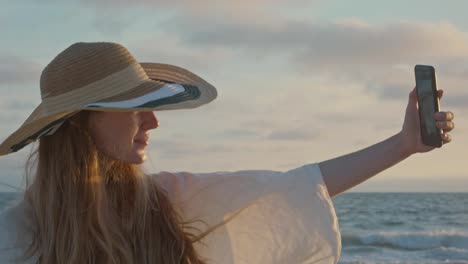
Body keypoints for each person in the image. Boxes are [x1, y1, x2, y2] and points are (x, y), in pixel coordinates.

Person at [0, 42, 455, 264]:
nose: (154, 122)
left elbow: (289, 188)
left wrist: (403, 146)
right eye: (138, 108)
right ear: (83, 121)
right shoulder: (14, 235)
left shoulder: (160, 200)